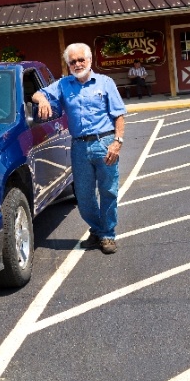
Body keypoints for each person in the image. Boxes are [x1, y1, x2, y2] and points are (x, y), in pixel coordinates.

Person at [32, 43, 126, 254]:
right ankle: (98, 230)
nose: (77, 64)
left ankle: (108, 235)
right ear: (68, 65)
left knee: (108, 190)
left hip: (105, 143)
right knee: (83, 196)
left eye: (81, 60)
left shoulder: (105, 83)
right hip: (79, 147)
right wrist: (43, 100)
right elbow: (37, 94)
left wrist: (117, 143)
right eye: (72, 61)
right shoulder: (64, 85)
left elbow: (119, 115)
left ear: (90, 60)